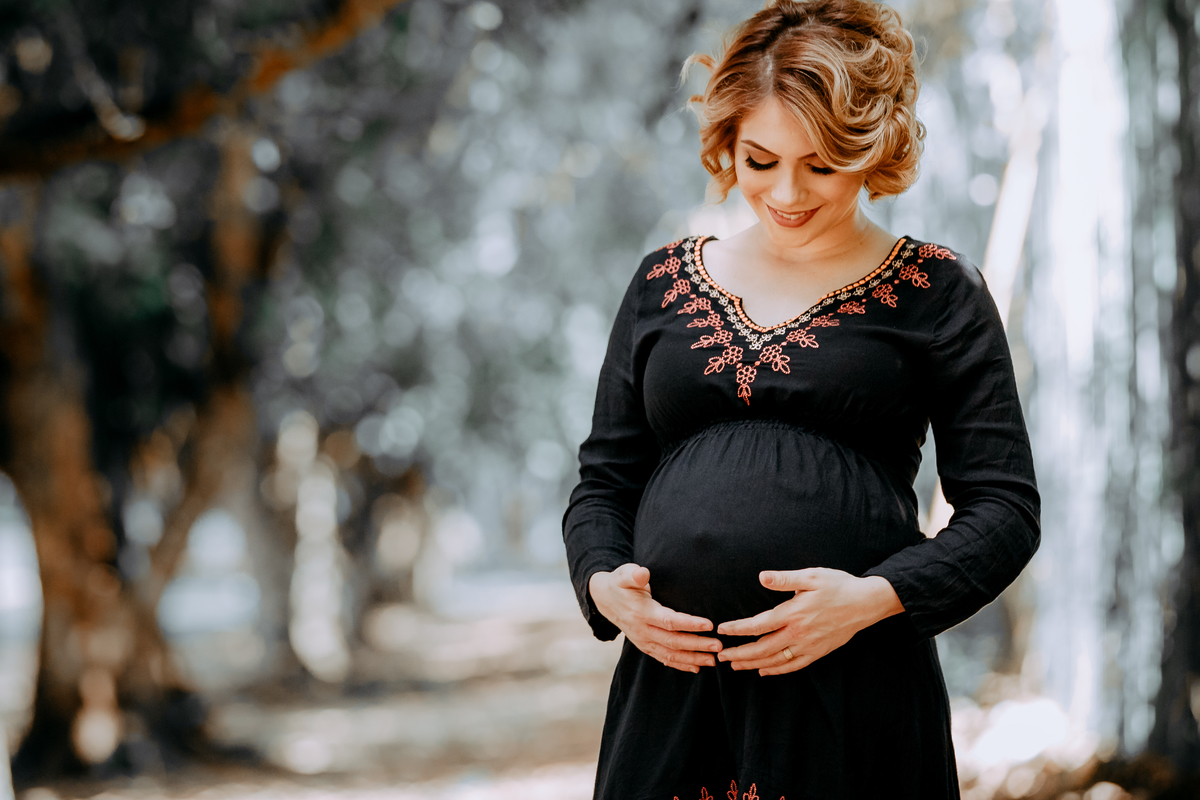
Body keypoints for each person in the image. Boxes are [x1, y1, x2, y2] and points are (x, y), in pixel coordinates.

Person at [562, 0, 1040, 798]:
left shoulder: (938, 291)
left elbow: (1005, 511)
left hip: (853, 693)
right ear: (727, 143)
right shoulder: (662, 284)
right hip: (674, 699)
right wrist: (604, 583)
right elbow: (604, 484)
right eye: (760, 160)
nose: (786, 192)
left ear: (872, 146)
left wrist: (871, 600)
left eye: (820, 165)